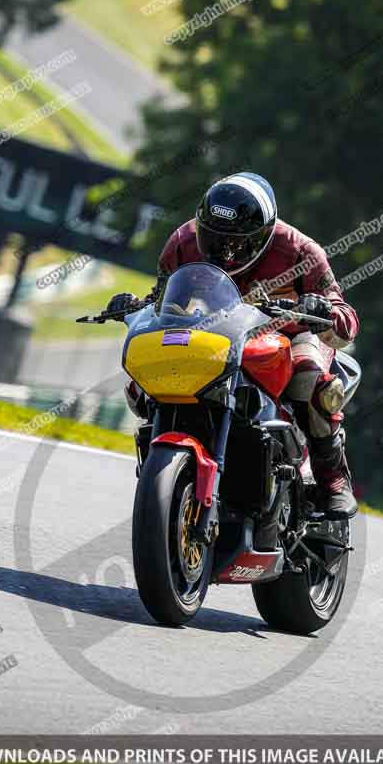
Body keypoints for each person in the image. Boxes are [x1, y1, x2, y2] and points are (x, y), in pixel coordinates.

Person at [107, 172, 359, 518]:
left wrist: (323, 311)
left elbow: (345, 316)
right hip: (215, 331)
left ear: (264, 235)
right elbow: (163, 301)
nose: (224, 251)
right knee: (145, 381)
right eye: (214, 238)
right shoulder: (182, 243)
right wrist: (136, 306)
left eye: (237, 243)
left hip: (289, 334)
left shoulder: (301, 251)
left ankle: (334, 480)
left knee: (310, 383)